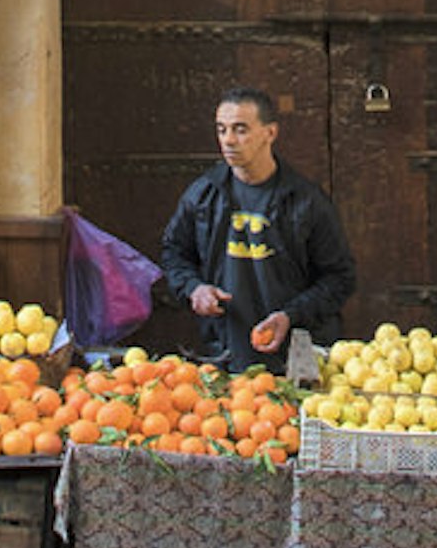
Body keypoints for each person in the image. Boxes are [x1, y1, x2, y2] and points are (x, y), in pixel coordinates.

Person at [154, 86, 359, 368]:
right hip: (222, 355)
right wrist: (194, 288)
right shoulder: (203, 194)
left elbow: (340, 278)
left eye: (240, 129)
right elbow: (174, 253)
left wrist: (291, 315)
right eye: (221, 129)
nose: (228, 140)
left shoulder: (306, 201)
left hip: (292, 360)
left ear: (270, 133)